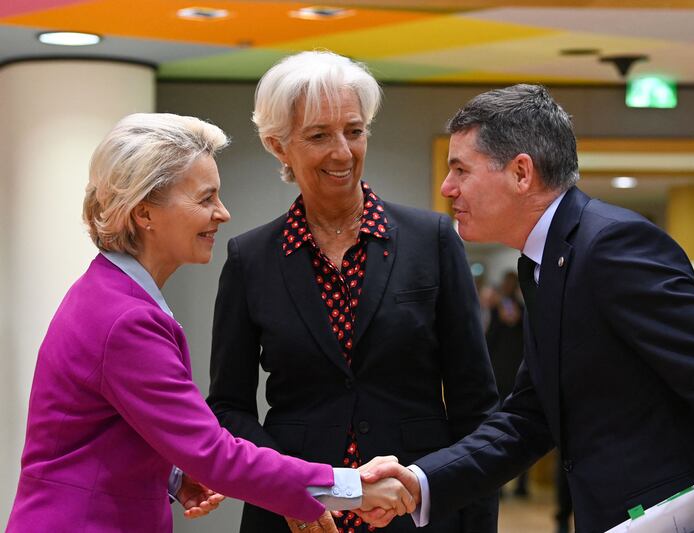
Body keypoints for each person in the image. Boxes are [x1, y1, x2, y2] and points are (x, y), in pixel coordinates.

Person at [360, 84, 694, 532]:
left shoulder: (611, 246)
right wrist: (419, 481)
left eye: (461, 170)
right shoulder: (542, 262)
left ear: (521, 173)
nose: (447, 187)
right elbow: (529, 417)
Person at [6, 113, 413, 533]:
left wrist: (171, 476)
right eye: (205, 199)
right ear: (145, 212)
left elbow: (95, 436)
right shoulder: (125, 319)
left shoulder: (108, 295)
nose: (223, 213)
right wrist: (351, 486)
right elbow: (215, 454)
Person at [207, 50, 499, 533]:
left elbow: (475, 408)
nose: (343, 152)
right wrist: (286, 484)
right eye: (319, 135)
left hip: (415, 512)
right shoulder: (250, 258)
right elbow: (229, 407)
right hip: (296, 515)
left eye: (354, 131)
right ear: (278, 145)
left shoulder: (432, 240)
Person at [484, 271, 528, 498]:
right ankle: (499, 484)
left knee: (523, 430)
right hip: (498, 377)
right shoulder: (495, 308)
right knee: (498, 429)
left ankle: (522, 484)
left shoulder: (524, 308)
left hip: (518, 377)